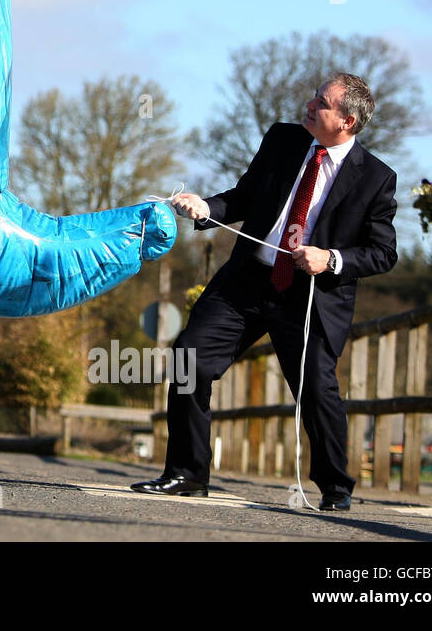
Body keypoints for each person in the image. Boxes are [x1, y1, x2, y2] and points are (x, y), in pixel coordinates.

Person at [132, 73, 397, 510]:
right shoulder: (282, 139)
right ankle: (186, 473)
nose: (310, 104)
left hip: (310, 296)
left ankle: (335, 486)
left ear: (347, 121)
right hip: (246, 282)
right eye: (314, 96)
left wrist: (330, 259)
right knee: (188, 360)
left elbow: (383, 253)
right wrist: (206, 208)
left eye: (322, 102)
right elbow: (243, 197)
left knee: (316, 389)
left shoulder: (376, 178)